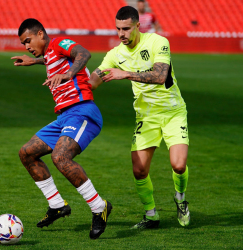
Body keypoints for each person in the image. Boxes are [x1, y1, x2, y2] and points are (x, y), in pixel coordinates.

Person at [88, 6, 190, 229]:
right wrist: (62, 73)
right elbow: (93, 81)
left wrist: (125, 74)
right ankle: (151, 215)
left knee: (179, 165)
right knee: (139, 170)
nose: (121, 34)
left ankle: (180, 199)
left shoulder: (157, 42)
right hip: (146, 116)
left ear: (137, 26)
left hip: (173, 112)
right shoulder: (114, 54)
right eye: (118, 29)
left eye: (126, 28)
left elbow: (161, 75)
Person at [11, 18, 112, 239]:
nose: (27, 46)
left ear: (40, 34)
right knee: (27, 153)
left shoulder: (58, 43)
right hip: (64, 118)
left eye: (28, 41)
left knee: (60, 157)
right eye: (23, 44)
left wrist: (69, 74)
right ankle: (57, 205)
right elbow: (51, 59)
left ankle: (99, 207)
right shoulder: (49, 54)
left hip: (82, 111)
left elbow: (83, 54)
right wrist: (33, 61)